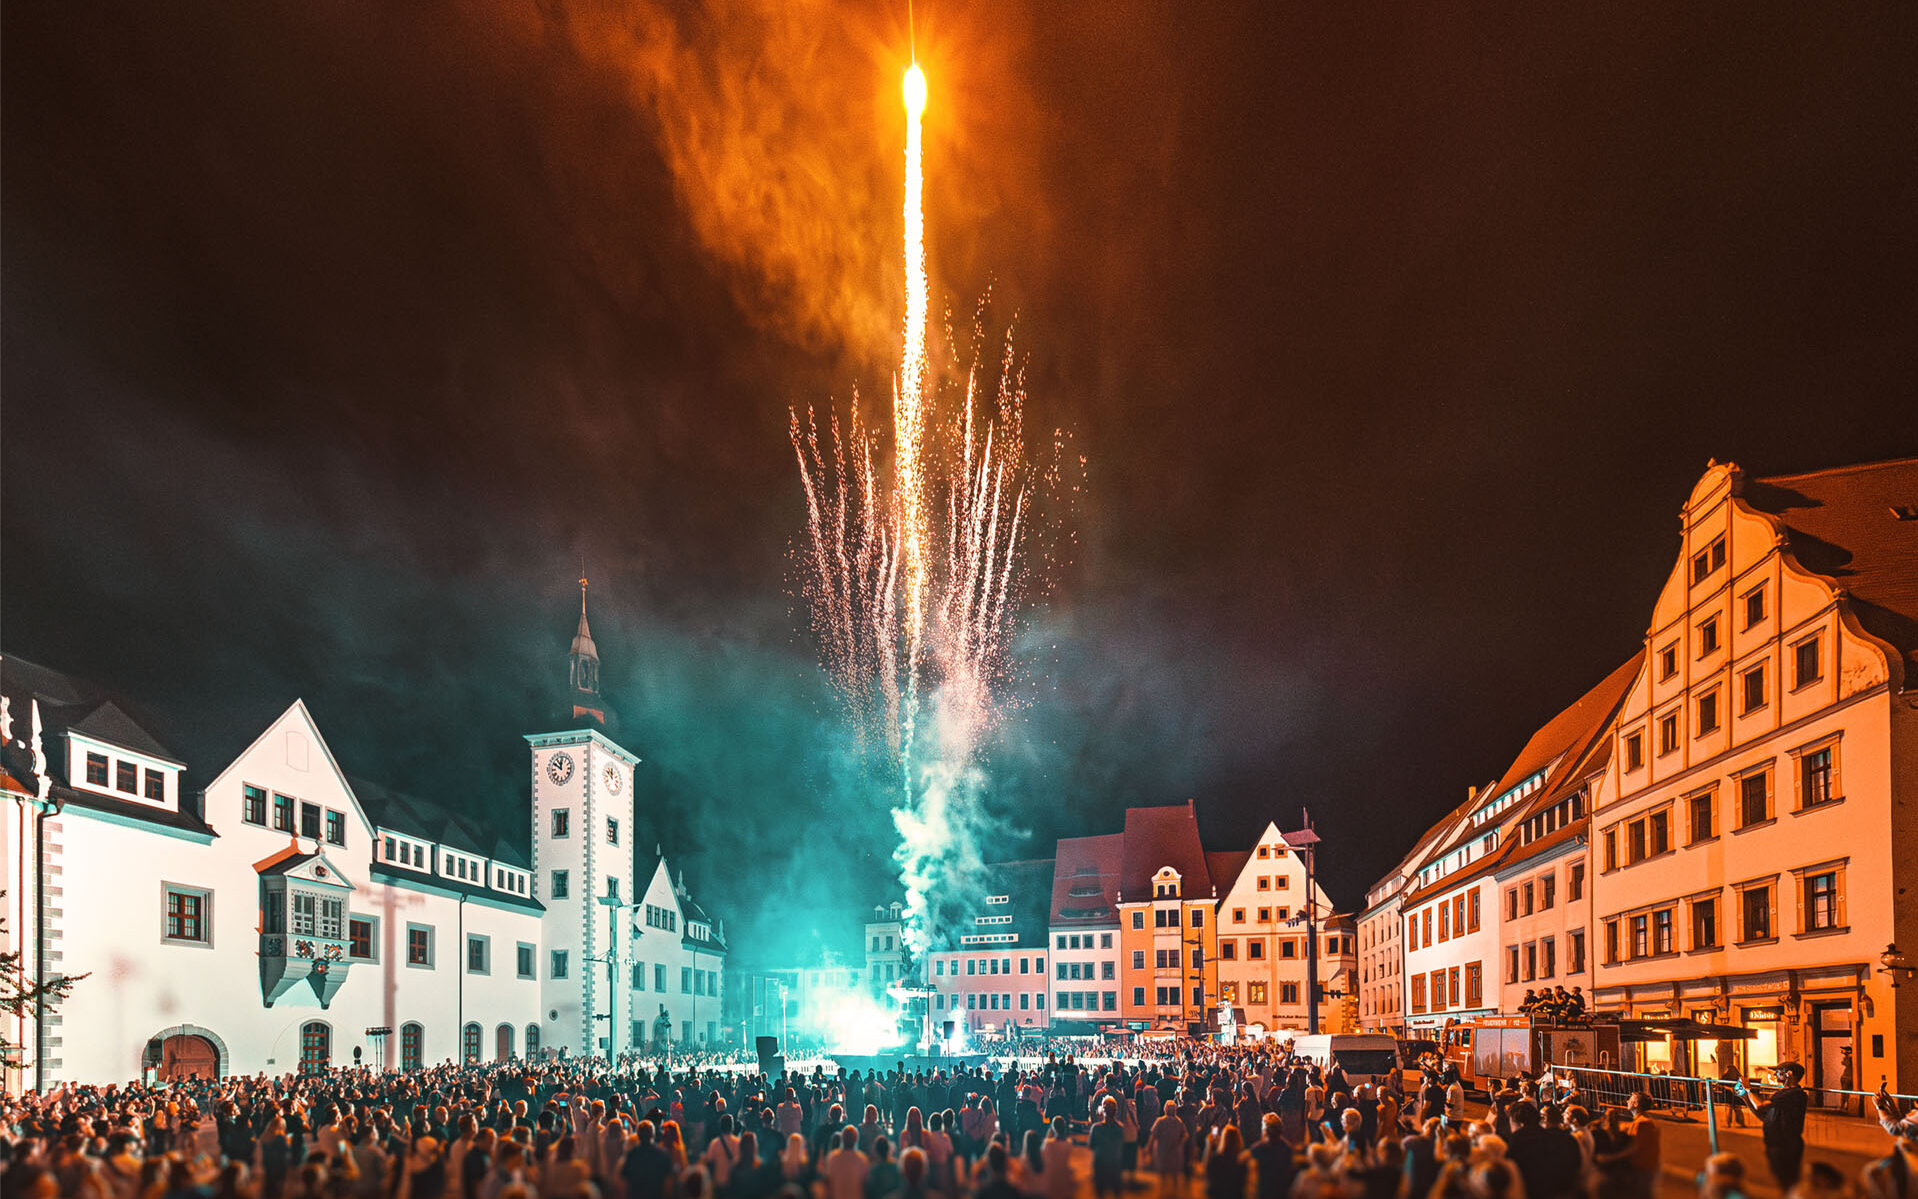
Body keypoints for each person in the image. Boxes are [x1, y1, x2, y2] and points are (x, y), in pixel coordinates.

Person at [1745, 1064, 1809, 1190]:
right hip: (1774, 1141)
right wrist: (1745, 1098)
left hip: (1786, 1143)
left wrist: (1748, 1090)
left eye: (1778, 1072)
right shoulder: (1782, 1093)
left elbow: (1760, 1106)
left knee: (1789, 1180)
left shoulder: (1794, 1094)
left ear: (1789, 1073)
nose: (1775, 1075)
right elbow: (1765, 1116)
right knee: (1782, 1180)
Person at [1088, 1100, 1126, 1199]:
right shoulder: (1120, 1128)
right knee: (1116, 1192)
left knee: (1100, 1193)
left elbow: (1091, 1145)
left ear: (1103, 1111)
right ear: (1115, 1111)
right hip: (1115, 1163)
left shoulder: (1096, 1128)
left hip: (1100, 1163)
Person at [1202, 1125, 1247, 1199]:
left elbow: (1207, 1172)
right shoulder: (1241, 1160)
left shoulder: (1217, 1159)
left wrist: (1209, 1146)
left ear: (1223, 1139)